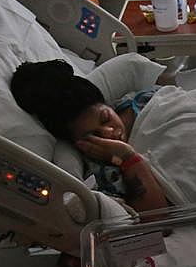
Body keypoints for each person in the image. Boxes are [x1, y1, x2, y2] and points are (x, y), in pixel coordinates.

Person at [10, 59, 169, 213]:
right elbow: (157, 218)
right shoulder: (106, 174)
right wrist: (127, 158)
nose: (108, 132)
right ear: (80, 144)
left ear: (107, 104)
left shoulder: (145, 99)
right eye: (94, 135)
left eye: (106, 118)